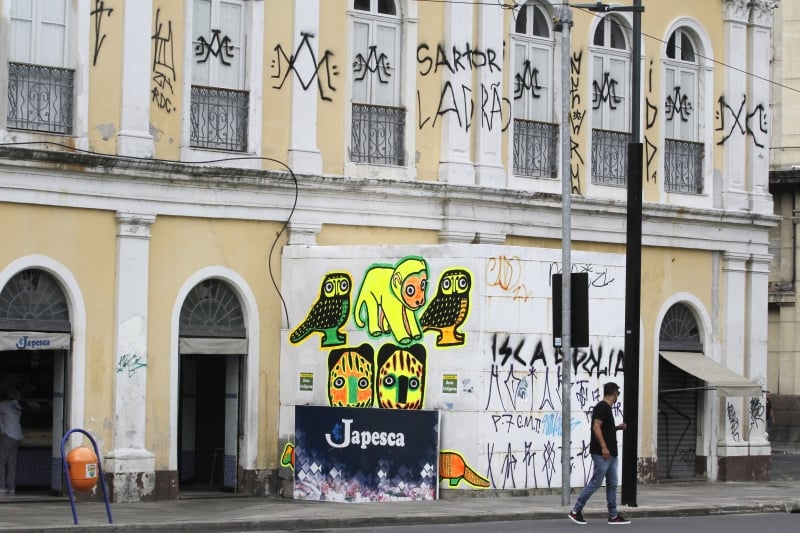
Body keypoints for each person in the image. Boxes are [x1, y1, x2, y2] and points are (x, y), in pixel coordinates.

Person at [568, 381, 630, 525]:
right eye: (617, 394)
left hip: (611, 454)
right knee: (596, 482)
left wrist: (617, 428)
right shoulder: (602, 407)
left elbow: (604, 429)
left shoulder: (606, 408)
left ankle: (613, 516)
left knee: (612, 484)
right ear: (614, 393)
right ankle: (575, 511)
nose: (617, 397)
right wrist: (604, 447)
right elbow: (596, 427)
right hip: (603, 454)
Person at [0, 388, 23, 496]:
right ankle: (11, 487)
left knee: (1, 461)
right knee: (11, 462)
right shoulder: (18, 406)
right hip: (18, 437)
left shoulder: (5, 405)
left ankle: (2, 487)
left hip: (8, 436)